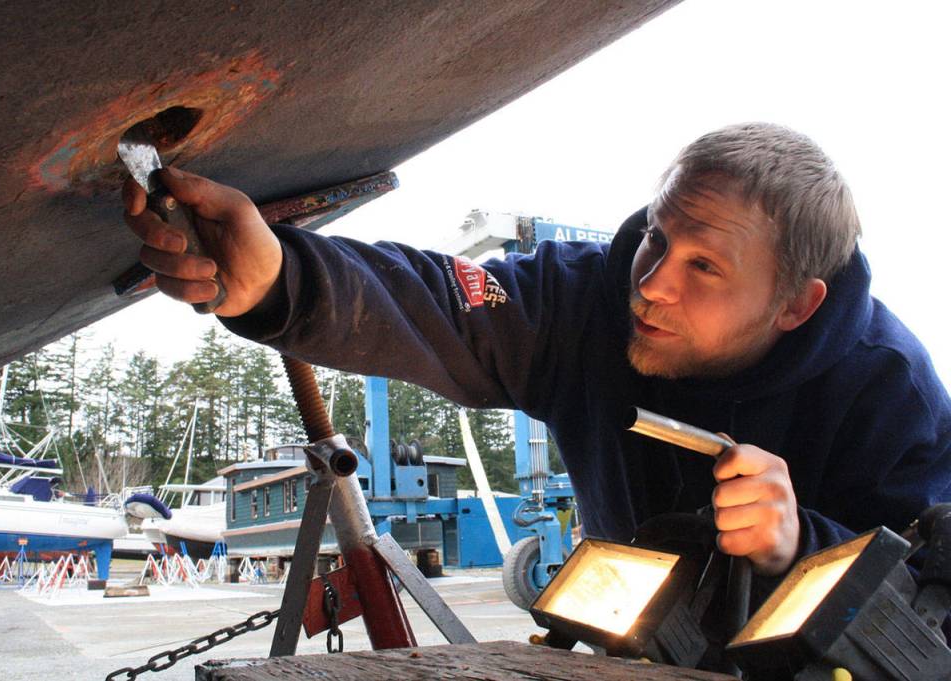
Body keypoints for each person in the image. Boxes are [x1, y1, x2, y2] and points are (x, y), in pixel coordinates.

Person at [123, 122, 951, 584]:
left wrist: (799, 542)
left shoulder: (889, 391)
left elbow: (928, 602)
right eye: (658, 238)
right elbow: (440, 301)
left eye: (705, 266)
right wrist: (281, 278)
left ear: (795, 303)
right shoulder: (583, 304)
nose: (653, 283)